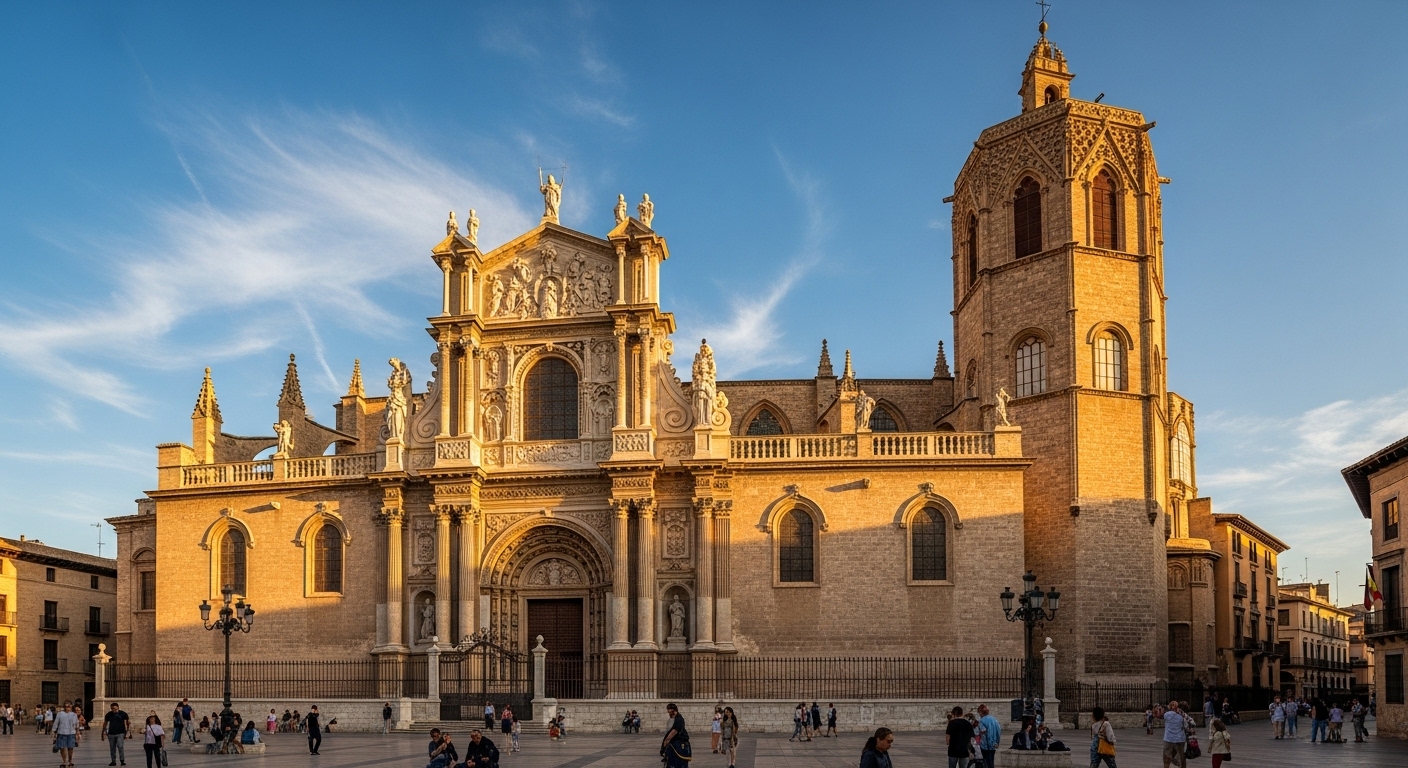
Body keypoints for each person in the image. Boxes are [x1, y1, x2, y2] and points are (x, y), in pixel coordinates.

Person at [662, 702, 691, 768]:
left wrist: (665, 742)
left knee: (675, 764)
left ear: (673, 711)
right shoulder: (675, 719)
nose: (668, 713)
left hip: (676, 745)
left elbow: (674, 731)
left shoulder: (678, 720)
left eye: (669, 711)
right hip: (675, 745)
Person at [1161, 700, 1188, 768]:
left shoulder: (1167, 714)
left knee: (1166, 759)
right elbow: (1187, 726)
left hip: (1168, 739)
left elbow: (1161, 715)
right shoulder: (1184, 716)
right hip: (1180, 739)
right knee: (1181, 759)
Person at [102, 702, 131, 767]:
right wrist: (103, 732)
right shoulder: (108, 714)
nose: (113, 710)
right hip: (111, 733)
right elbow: (105, 723)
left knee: (120, 746)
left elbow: (127, 722)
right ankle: (113, 761)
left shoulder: (123, 714)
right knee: (112, 748)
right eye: (112, 709)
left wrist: (128, 731)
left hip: (120, 732)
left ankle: (122, 760)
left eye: (115, 709)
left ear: (118, 707)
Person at [54, 700, 81, 768]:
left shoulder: (74, 715)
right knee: (62, 748)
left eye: (68, 707)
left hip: (71, 733)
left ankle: (70, 760)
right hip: (61, 733)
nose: (67, 708)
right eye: (65, 707)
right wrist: (54, 733)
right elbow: (56, 723)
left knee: (70, 748)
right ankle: (64, 762)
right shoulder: (60, 714)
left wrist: (77, 734)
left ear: (71, 707)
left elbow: (76, 725)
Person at [976, 704, 1001, 768]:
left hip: (985, 745)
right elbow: (999, 731)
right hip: (993, 744)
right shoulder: (995, 720)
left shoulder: (981, 721)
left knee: (985, 762)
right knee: (991, 761)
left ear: (981, 712)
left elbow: (982, 731)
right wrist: (997, 742)